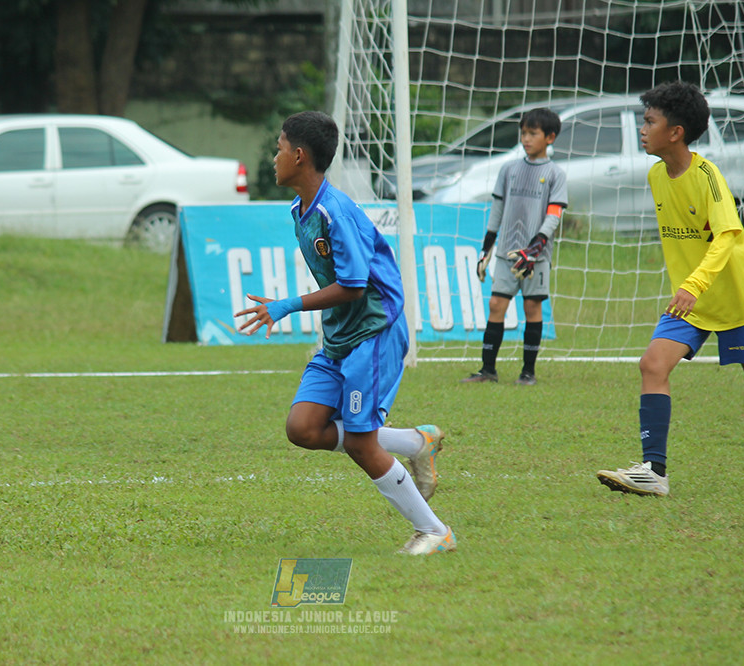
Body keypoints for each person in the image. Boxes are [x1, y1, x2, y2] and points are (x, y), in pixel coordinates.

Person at [235, 111, 456, 555]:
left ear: (299, 156)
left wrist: (285, 306)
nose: (273, 156)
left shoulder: (334, 211)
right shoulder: (301, 209)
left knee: (359, 443)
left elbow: (354, 287)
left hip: (374, 333)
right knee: (302, 427)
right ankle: (417, 441)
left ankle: (435, 532)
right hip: (340, 335)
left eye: (278, 147)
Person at [597, 80, 744, 499]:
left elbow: (729, 236)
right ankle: (653, 471)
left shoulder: (708, 176)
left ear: (675, 132)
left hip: (731, 298)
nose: (642, 129)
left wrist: (694, 284)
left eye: (649, 121)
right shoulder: (658, 175)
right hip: (689, 301)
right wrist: (689, 288)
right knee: (652, 365)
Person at [461, 108, 568, 386]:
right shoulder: (508, 170)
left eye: (533, 133)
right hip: (506, 253)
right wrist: (486, 249)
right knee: (496, 304)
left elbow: (554, 215)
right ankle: (488, 370)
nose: (526, 139)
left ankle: (528, 372)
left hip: (536, 258)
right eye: (523, 133)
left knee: (532, 308)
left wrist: (534, 249)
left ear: (550, 137)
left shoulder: (556, 174)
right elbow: (497, 211)